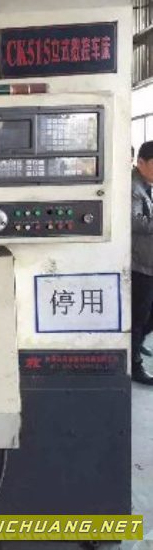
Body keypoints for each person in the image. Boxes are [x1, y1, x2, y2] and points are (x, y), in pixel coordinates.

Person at [131, 140, 153, 384]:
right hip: (140, 264)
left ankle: (137, 343)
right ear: (141, 162)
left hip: (149, 261)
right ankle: (134, 365)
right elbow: (135, 221)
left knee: (147, 315)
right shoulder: (133, 187)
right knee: (138, 316)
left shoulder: (146, 184)